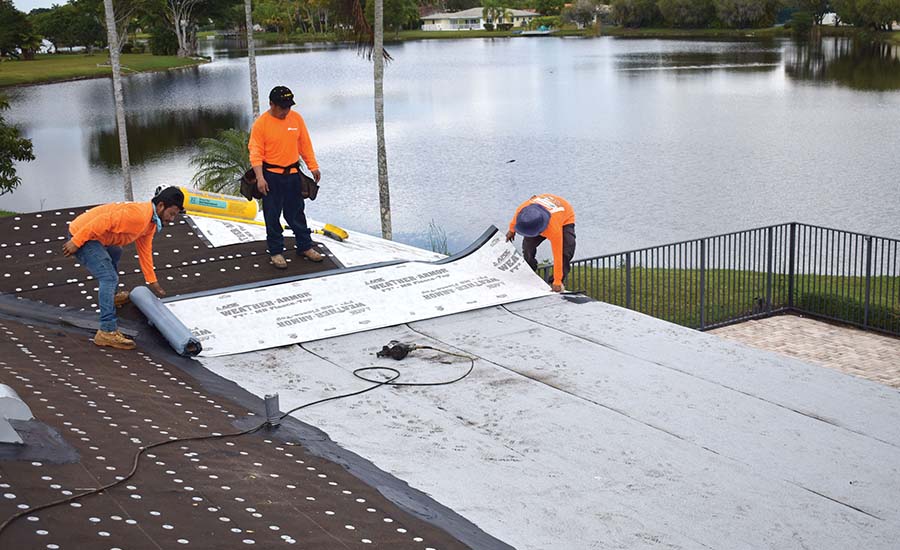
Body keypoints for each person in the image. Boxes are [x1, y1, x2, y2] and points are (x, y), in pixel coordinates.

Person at [62, 187, 185, 350]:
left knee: (116, 251)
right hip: (82, 235)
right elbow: (102, 221)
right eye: (172, 213)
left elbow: (144, 249)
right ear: (161, 206)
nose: (172, 219)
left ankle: (111, 297)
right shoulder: (138, 216)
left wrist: (152, 280)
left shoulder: (150, 222)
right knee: (108, 277)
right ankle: (106, 331)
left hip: (97, 237)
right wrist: (76, 242)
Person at [248, 85, 323, 270]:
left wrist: (313, 166)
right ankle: (276, 251)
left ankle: (305, 246)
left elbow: (304, 144)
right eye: (282, 107)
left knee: (296, 213)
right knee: (272, 215)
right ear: (271, 104)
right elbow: (255, 152)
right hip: (271, 176)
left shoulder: (296, 119)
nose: (286, 111)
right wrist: (260, 177)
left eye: (288, 106)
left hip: (292, 175)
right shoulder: (261, 124)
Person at [505, 194, 576, 292]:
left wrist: (557, 281)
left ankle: (553, 282)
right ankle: (530, 269)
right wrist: (511, 230)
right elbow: (516, 218)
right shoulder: (523, 209)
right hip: (536, 218)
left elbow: (558, 255)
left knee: (567, 251)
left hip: (565, 218)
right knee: (528, 246)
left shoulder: (554, 229)